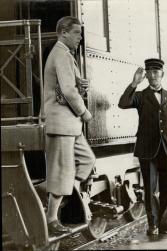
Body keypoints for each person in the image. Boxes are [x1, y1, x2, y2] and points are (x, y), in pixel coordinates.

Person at [118, 59, 167, 235]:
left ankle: (165, 222)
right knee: (150, 189)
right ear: (145, 75)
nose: (153, 75)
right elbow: (123, 103)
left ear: (162, 74)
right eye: (150, 72)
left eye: (156, 72)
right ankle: (152, 224)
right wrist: (134, 83)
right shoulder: (140, 96)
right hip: (147, 149)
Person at [44, 16, 95, 235]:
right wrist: (84, 112)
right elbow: (66, 91)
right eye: (77, 33)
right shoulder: (60, 54)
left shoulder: (65, 55)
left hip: (69, 125)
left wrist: (79, 86)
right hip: (62, 123)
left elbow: (65, 89)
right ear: (64, 32)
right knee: (63, 173)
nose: (80, 38)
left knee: (87, 160)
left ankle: (58, 193)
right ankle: (51, 218)